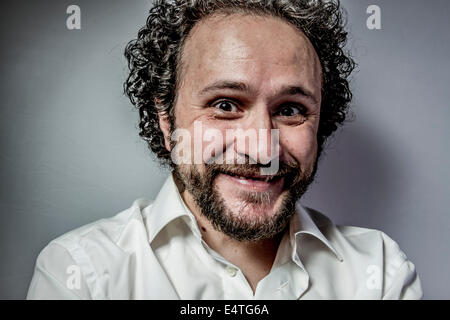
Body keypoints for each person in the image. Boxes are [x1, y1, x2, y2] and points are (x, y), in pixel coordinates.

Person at [27, 0, 423, 299]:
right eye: (225, 105)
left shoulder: (379, 271)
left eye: (290, 110)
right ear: (167, 122)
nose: (260, 149)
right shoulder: (81, 274)